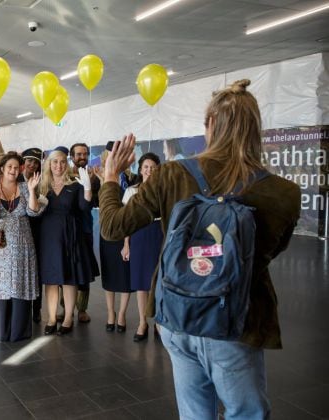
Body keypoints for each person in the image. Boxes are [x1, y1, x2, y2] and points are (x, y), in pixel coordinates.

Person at [99, 79, 301, 419]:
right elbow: (269, 252)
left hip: (176, 313)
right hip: (236, 320)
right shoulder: (284, 192)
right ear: (255, 130)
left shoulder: (171, 174)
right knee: (246, 412)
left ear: (209, 125)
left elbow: (112, 226)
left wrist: (109, 178)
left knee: (194, 413)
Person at [0, 152, 44, 341]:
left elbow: (33, 213)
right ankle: (1, 329)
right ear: (2, 168)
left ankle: (19, 331)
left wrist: (33, 191)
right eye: (10, 166)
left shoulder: (26, 188)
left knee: (20, 284)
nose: (13, 170)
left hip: (22, 245)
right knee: (0, 287)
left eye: (17, 167)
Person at [38, 146, 94, 336]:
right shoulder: (42, 185)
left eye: (62, 161)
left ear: (67, 163)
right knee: (51, 280)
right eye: (55, 162)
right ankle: (52, 317)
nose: (59, 165)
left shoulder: (75, 184)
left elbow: (84, 207)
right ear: (49, 164)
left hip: (71, 236)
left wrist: (87, 188)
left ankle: (69, 317)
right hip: (49, 238)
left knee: (70, 278)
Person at [119, 152, 162, 342]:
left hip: (158, 236)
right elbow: (127, 221)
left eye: (153, 167)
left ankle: (158, 323)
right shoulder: (131, 191)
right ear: (141, 169)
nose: (149, 170)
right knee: (140, 284)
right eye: (146, 167)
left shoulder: (164, 190)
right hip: (138, 236)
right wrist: (126, 244)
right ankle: (142, 322)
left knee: (158, 282)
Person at [96, 147, 132, 333]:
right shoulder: (102, 178)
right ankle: (111, 312)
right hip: (107, 231)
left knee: (125, 275)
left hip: (125, 230)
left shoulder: (130, 179)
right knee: (109, 273)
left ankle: (122, 314)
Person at [68, 143, 101, 323]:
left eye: (85, 154)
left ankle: (82, 309)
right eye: (78, 154)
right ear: (71, 156)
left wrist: (95, 182)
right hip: (67, 229)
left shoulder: (93, 177)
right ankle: (65, 308)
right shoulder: (65, 176)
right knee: (66, 268)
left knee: (84, 270)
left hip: (85, 229)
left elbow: (95, 201)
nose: (82, 157)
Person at [20, 147, 44, 323]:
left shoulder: (42, 182)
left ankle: (37, 309)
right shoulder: (14, 180)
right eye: (29, 161)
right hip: (20, 233)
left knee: (37, 272)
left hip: (37, 232)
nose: (32, 165)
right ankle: (21, 308)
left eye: (36, 162)